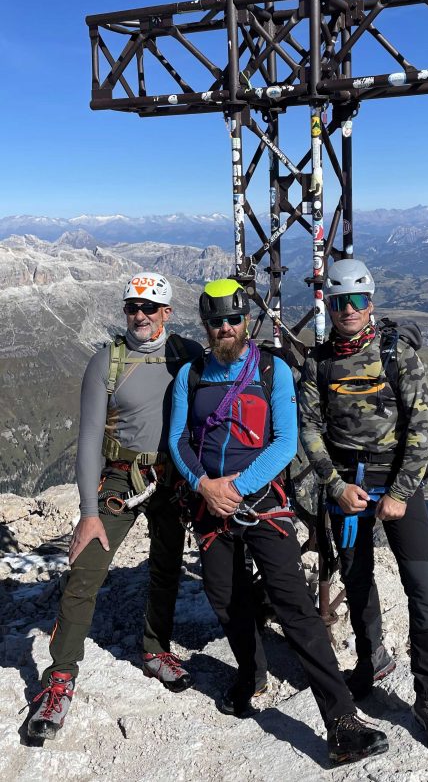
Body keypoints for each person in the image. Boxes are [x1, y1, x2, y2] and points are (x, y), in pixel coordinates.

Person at [168, 279, 388, 765]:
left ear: (247, 320)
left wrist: (235, 488)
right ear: (204, 325)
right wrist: (205, 485)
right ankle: (251, 674)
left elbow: (285, 442)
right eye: (215, 321)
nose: (225, 328)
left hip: (261, 501)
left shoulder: (273, 371)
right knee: (224, 597)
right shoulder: (191, 374)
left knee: (293, 604)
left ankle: (341, 719)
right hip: (210, 503)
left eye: (232, 319)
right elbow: (178, 440)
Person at [27, 273, 203, 740]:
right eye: (132, 307)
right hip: (122, 478)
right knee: (85, 572)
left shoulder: (185, 354)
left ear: (167, 312)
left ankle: (154, 649)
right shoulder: (106, 361)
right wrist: (88, 511)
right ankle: (60, 678)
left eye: (149, 308)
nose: (139, 316)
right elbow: (88, 438)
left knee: (165, 565)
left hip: (172, 474)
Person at [299, 258, 428, 759]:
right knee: (358, 580)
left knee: (423, 590)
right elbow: (308, 428)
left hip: (397, 485)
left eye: (358, 300)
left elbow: (423, 428)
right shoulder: (320, 361)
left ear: (371, 302)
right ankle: (372, 663)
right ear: (328, 303)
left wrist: (400, 493)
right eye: (340, 300)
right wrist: (334, 484)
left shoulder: (397, 353)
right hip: (348, 487)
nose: (349, 310)